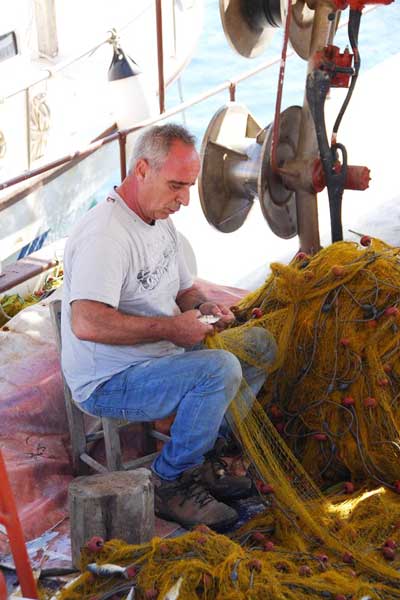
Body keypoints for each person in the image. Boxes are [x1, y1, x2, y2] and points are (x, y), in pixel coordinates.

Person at [61, 123, 277, 530]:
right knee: (220, 370)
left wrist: (202, 305)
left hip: (160, 356)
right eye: (177, 186)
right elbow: (86, 322)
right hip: (110, 378)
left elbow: (183, 290)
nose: (185, 200)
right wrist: (172, 330)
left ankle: (203, 451)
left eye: (189, 187)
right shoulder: (105, 234)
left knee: (261, 344)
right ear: (142, 169)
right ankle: (170, 479)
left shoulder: (159, 218)